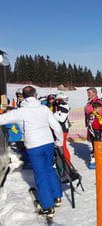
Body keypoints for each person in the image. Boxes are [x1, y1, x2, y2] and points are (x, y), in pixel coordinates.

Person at [0, 86, 64, 217]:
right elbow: (56, 126)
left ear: (23, 96)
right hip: (48, 143)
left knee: (40, 175)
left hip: (35, 146)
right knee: (50, 169)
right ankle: (57, 196)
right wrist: (59, 142)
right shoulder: (44, 109)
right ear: (36, 95)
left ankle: (47, 206)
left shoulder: (20, 112)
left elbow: (2, 119)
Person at [54, 92, 72, 164]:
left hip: (63, 129)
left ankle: (67, 162)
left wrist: (54, 115)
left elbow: (62, 119)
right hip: (61, 128)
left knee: (63, 145)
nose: (56, 101)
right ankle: (63, 160)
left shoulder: (63, 107)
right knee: (60, 145)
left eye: (57, 100)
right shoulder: (60, 106)